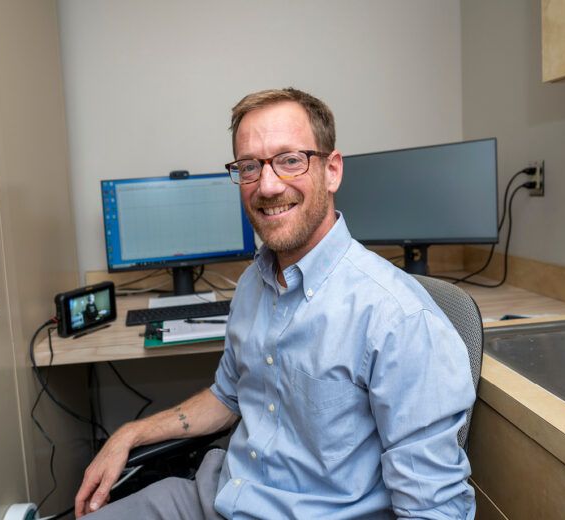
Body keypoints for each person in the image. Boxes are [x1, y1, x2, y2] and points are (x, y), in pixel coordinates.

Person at [75, 88, 476, 519]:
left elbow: (434, 511)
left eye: (290, 160)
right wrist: (130, 434)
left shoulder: (398, 318)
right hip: (213, 497)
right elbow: (227, 396)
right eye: (249, 167)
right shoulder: (253, 282)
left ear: (332, 171)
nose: (267, 186)